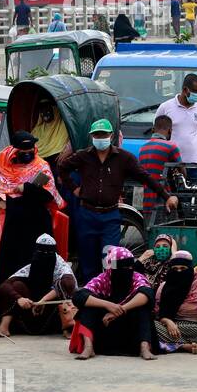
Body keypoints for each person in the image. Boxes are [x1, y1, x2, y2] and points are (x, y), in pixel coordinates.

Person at [57, 119, 177, 282]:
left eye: (104, 134)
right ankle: (91, 297)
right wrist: (74, 188)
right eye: (97, 135)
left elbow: (145, 177)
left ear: (111, 135)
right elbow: (63, 168)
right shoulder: (83, 156)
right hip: (87, 215)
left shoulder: (124, 158)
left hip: (110, 216)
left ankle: (112, 293)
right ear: (92, 136)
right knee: (88, 262)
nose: (101, 138)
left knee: (111, 260)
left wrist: (167, 196)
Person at [0, 131, 64, 286]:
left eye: (29, 152)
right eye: (23, 152)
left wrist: (26, 188)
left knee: (39, 257)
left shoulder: (41, 166)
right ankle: (8, 295)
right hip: (15, 220)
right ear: (15, 151)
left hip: (37, 220)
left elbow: (48, 194)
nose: (27, 155)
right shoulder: (4, 163)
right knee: (11, 259)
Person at [69, 246, 158, 360]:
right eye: (122, 267)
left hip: (130, 326)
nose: (127, 270)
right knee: (88, 307)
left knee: (143, 309)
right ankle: (88, 346)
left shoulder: (136, 277)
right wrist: (108, 305)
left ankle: (144, 347)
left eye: (130, 266)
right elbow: (79, 296)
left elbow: (147, 294)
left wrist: (121, 309)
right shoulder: (103, 279)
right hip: (106, 326)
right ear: (112, 268)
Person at [0, 234, 77, 337]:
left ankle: (68, 328)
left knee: (66, 285)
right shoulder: (33, 265)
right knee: (17, 285)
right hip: (30, 309)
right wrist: (19, 298)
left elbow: (68, 284)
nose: (44, 255)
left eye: (48, 252)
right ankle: (4, 327)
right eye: (41, 252)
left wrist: (43, 301)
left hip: (54, 313)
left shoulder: (62, 268)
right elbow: (4, 285)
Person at [153, 251, 197, 355]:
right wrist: (168, 322)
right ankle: (186, 346)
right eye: (175, 269)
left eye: (183, 269)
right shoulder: (164, 286)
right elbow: (158, 313)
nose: (179, 272)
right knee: (152, 326)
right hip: (172, 326)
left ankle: (176, 344)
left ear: (190, 269)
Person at [154, 73, 197, 166]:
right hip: (172, 163)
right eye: (196, 92)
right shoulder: (165, 107)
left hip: (195, 162)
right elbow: (157, 133)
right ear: (185, 90)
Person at [137, 114, 181, 212]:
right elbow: (182, 170)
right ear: (170, 131)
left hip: (146, 201)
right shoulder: (171, 146)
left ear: (153, 130)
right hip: (164, 200)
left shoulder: (142, 148)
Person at [30, 100, 70, 168]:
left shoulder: (64, 126)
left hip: (58, 165)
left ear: (55, 110)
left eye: (47, 109)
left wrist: (69, 149)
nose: (44, 113)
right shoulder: (37, 130)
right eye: (41, 110)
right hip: (39, 167)